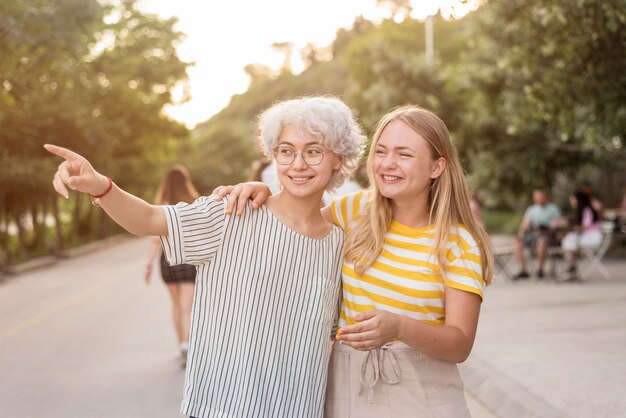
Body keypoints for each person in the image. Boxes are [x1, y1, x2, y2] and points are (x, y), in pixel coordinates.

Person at [44, 95, 366, 418]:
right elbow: (149, 219)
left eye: (313, 151)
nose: (298, 164)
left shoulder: (339, 243)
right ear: (273, 156)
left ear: (338, 158)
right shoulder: (232, 211)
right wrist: (100, 186)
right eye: (286, 151)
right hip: (219, 408)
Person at [214, 104, 494, 417]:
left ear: (436, 167)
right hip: (347, 391)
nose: (388, 164)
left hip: (423, 395)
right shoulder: (353, 210)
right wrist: (262, 191)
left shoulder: (458, 243)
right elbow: (293, 222)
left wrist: (399, 327)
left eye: (404, 154)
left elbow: (460, 344)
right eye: (382, 151)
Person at [144, 165, 199, 366]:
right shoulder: (193, 204)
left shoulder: (162, 206)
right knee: (187, 307)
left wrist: (148, 265)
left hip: (167, 261)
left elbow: (155, 240)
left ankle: (181, 344)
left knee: (176, 306)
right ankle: (189, 346)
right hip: (188, 260)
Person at [512, 189, 562, 279]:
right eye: (536, 198)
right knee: (517, 242)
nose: (538, 199)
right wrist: (521, 234)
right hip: (533, 233)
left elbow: (557, 224)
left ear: (545, 197)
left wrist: (549, 228)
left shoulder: (553, 209)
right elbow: (525, 224)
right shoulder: (531, 209)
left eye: (540, 197)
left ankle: (540, 269)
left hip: (547, 234)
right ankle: (523, 270)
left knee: (542, 242)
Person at [561, 188, 604, 280]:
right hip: (588, 236)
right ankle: (572, 267)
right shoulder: (584, 210)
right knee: (569, 240)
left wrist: (573, 229)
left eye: (572, 199)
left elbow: (585, 227)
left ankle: (572, 268)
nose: (572, 201)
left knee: (568, 240)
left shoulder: (587, 210)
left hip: (593, 237)